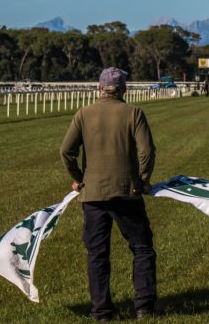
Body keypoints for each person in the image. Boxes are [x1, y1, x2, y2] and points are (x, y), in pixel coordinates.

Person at [60, 67, 158, 321]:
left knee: (97, 253)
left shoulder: (84, 113)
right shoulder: (134, 112)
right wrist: (144, 180)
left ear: (99, 88)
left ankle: (101, 311)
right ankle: (144, 308)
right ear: (124, 89)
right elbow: (146, 152)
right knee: (142, 249)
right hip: (128, 192)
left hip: (92, 194)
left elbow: (66, 151)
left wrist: (78, 178)